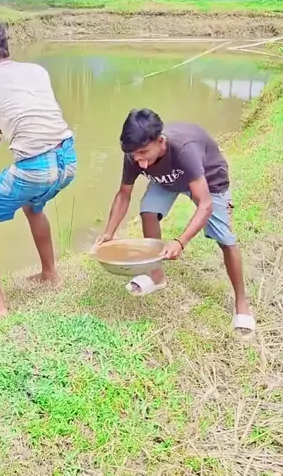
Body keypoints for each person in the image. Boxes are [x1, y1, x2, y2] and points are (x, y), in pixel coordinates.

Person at [97, 108, 255, 333]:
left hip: (209, 181)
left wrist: (180, 241)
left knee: (226, 240)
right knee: (148, 212)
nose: (140, 162)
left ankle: (242, 304)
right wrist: (108, 233)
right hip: (168, 180)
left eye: (143, 153)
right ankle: (156, 276)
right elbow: (124, 194)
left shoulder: (184, 149)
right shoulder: (134, 154)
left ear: (160, 141)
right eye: (134, 155)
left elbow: (205, 204)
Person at [0, 17, 76, 319]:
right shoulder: (37, 70)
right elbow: (30, 114)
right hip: (67, 159)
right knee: (33, 207)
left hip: (36, 167)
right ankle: (49, 273)